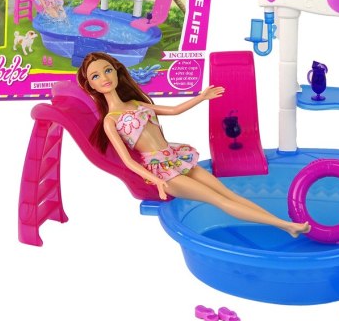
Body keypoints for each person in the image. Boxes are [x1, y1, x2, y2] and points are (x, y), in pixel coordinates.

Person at [77, 52, 311, 238]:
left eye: (107, 70)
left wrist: (202, 97)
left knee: (228, 193)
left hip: (175, 157)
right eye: (96, 76)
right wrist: (156, 180)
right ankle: (286, 225)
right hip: (163, 172)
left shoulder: (136, 103)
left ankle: (284, 225)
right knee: (219, 200)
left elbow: (174, 110)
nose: (104, 78)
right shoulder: (110, 121)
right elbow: (128, 160)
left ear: (117, 71)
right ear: (91, 86)